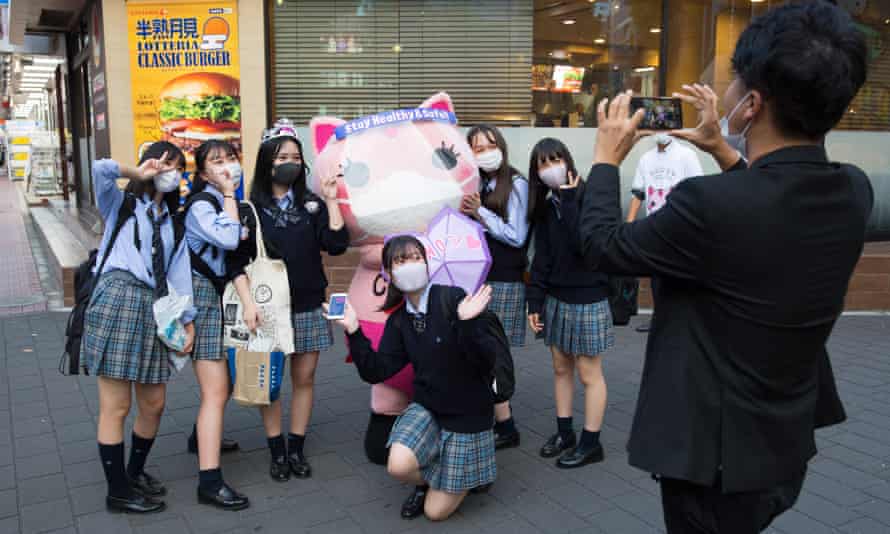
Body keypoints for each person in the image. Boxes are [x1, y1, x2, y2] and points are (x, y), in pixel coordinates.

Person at [574, 2, 870, 532]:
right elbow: (767, 204)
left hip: (715, 465)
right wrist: (724, 150)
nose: (725, 90)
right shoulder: (851, 189)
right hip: (783, 446)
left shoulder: (709, 205)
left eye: (734, 80)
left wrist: (604, 159)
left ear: (752, 104)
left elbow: (603, 245)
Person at [328, 236, 498, 521]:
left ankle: (465, 472)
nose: (410, 265)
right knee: (398, 465)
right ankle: (435, 478)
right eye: (400, 260)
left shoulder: (453, 298)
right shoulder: (400, 320)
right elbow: (376, 371)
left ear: (427, 263)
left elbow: (485, 361)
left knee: (435, 512)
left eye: (416, 258)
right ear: (389, 274)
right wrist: (354, 331)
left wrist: (468, 324)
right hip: (430, 407)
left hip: (468, 412)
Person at [226, 125, 349, 482]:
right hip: (267, 309)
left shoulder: (311, 204)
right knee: (270, 381)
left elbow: (337, 244)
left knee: (305, 378)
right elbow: (236, 260)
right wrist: (248, 304)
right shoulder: (250, 209)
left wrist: (331, 200)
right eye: (282, 158)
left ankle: (296, 446)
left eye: (296, 158)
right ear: (267, 163)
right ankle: (275, 449)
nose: (290, 164)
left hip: (308, 302)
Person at [81, 142, 196, 513]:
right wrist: (136, 171)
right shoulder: (122, 205)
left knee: (155, 403)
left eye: (177, 166)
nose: (170, 170)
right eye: (164, 163)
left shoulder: (174, 223)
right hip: (118, 301)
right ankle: (117, 491)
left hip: (157, 310)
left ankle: (133, 472)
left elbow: (180, 274)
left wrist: (187, 321)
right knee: (116, 406)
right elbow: (99, 169)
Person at [525, 137, 612, 469]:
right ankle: (566, 433)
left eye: (555, 160)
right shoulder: (547, 208)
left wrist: (571, 200)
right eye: (543, 164)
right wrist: (535, 303)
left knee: (590, 373)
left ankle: (591, 442)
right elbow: (543, 257)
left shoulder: (591, 197)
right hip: (556, 298)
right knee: (561, 367)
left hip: (589, 296)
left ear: (568, 161)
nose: (550, 169)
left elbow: (586, 248)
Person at [181, 140, 249, 510]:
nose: (227, 167)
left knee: (220, 384)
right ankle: (209, 481)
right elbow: (228, 237)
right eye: (217, 162)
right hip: (202, 298)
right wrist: (228, 193)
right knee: (216, 389)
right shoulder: (202, 204)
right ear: (203, 173)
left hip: (215, 295)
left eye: (231, 159)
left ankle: (200, 437)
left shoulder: (221, 201)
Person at [461, 124, 528, 450]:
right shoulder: (472, 184)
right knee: (478, 350)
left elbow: (516, 235)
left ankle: (506, 426)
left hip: (503, 278)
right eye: (476, 148)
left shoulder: (515, 183)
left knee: (495, 352)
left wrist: (481, 213)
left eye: (489, 145)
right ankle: (497, 418)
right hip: (474, 278)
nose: (485, 152)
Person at [627, 133, 704, 333]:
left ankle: (684, 320)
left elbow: (698, 191)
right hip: (654, 225)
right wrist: (629, 223)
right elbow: (638, 192)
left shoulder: (686, 155)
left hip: (681, 225)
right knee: (656, 275)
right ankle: (658, 318)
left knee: (679, 274)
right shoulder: (646, 159)